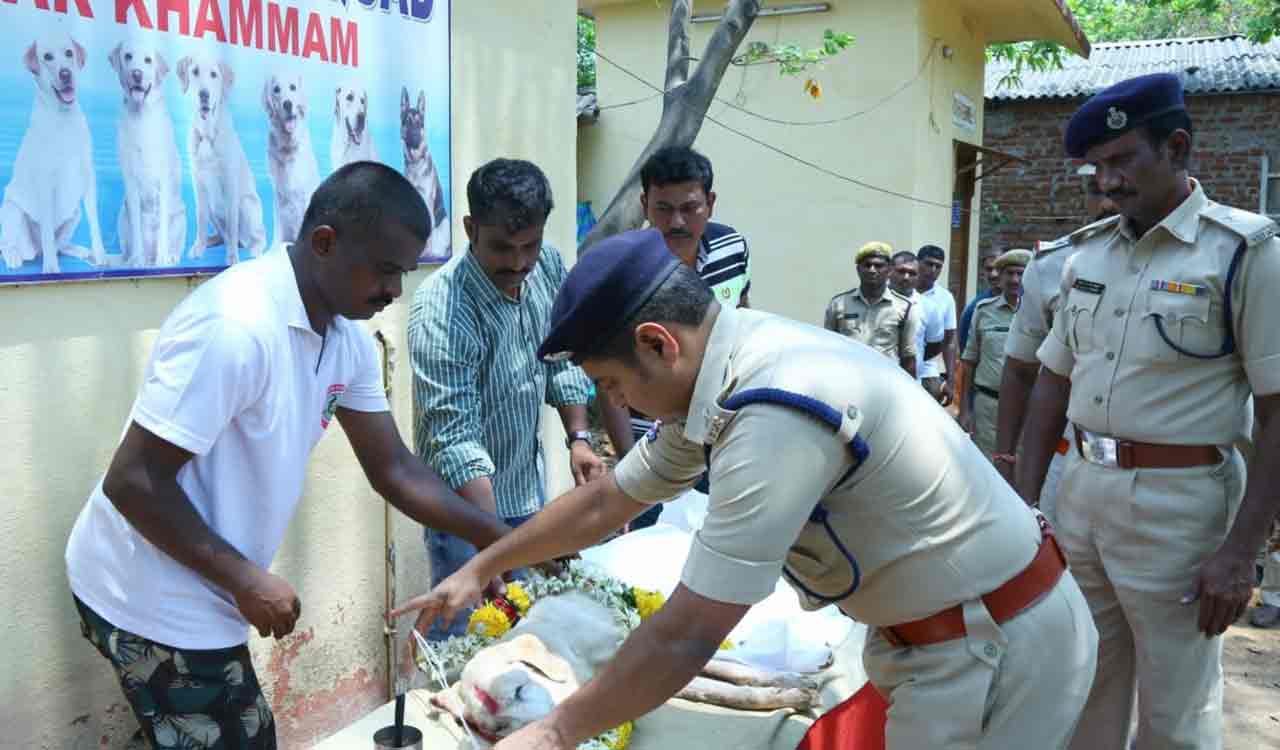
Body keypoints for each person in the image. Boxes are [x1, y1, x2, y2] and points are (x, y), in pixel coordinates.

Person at [392, 228, 1098, 750]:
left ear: (658, 343)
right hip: (942, 638)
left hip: (991, 649)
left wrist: (553, 733)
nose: (618, 404)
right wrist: (485, 565)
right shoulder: (728, 364)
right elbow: (610, 499)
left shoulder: (772, 413)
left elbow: (690, 631)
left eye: (612, 383)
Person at [64, 162, 513, 749]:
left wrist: (500, 540)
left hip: (204, 584)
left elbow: (396, 470)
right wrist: (245, 579)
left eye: (402, 274)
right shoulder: (236, 326)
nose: (394, 292)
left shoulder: (345, 337)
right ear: (325, 243)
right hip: (152, 592)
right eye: (385, 270)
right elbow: (133, 480)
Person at [1017, 73, 1280, 750]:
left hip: (1181, 507)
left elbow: (1278, 409)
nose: (1108, 181)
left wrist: (1242, 552)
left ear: (1177, 148)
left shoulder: (1243, 253)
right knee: (1084, 681)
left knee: (1174, 710)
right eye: (1096, 167)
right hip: (1081, 495)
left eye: (1123, 160)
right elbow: (1051, 381)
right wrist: (1023, 505)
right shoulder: (1088, 255)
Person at [408, 158, 607, 640]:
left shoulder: (548, 266)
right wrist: (491, 543)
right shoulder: (441, 310)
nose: (518, 263)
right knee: (465, 641)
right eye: (501, 247)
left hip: (525, 492)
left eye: (529, 246)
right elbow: (456, 441)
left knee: (523, 636)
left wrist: (579, 439)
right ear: (470, 229)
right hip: (463, 513)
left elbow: (561, 356)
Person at [600, 145, 752, 531]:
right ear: (644, 205)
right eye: (664, 209)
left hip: (721, 435)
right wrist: (628, 463)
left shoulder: (732, 249)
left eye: (690, 208)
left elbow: (742, 321)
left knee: (715, 543)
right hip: (650, 444)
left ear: (710, 203)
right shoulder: (620, 271)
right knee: (648, 553)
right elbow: (606, 375)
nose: (677, 222)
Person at [994, 164, 1119, 523]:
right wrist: (1005, 458)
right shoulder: (1054, 265)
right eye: (1095, 191)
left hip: (1173, 470)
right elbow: (1021, 369)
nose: (1107, 204)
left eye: (1115, 190)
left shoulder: (1198, 259)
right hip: (1070, 453)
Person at [958, 249, 1030, 460]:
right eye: (1009, 273)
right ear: (1001, 276)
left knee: (1021, 465)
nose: (1015, 279)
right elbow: (969, 361)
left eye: (1020, 273)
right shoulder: (982, 310)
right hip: (988, 407)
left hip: (1026, 407)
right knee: (987, 466)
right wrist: (965, 410)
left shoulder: (1040, 313)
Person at [824, 241, 922, 377]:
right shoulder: (838, 304)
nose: (872, 270)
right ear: (858, 269)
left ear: (889, 271)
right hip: (847, 378)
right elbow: (828, 349)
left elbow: (908, 357)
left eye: (878, 266)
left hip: (885, 380)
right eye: (867, 265)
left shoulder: (904, 307)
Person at [891, 251, 946, 391]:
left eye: (912, 273)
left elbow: (934, 347)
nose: (906, 277)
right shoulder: (877, 302)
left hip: (911, 384)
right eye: (901, 271)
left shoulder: (929, 307)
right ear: (890, 271)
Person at [914, 245, 959, 404]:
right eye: (928, 264)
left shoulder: (945, 298)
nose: (933, 270)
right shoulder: (900, 289)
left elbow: (949, 341)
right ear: (917, 263)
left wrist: (951, 380)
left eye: (938, 266)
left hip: (928, 371)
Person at [957, 252, 1000, 356]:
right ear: (983, 273)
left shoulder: (1023, 303)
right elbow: (965, 351)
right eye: (989, 269)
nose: (993, 274)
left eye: (998, 268)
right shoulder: (975, 308)